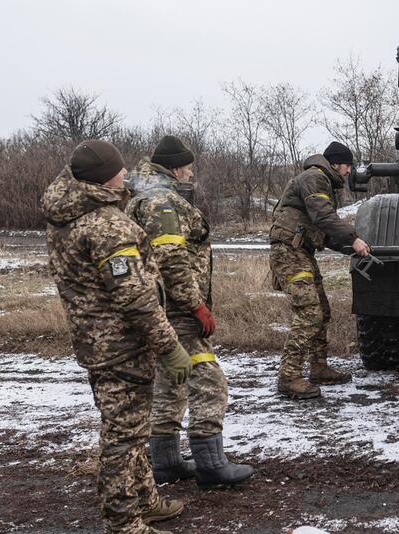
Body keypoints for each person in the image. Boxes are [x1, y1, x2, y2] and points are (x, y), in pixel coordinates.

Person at [41, 139, 189, 533]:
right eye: (120, 169)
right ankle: (124, 521)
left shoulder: (68, 216)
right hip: (122, 345)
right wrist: (170, 346)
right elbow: (136, 297)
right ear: (106, 177)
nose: (127, 174)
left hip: (96, 341)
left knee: (131, 428)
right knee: (123, 437)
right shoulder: (107, 224)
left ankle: (144, 499)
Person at [126, 135, 254, 486]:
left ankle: (165, 462)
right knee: (210, 382)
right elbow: (170, 258)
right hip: (178, 310)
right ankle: (211, 466)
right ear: (174, 167)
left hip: (163, 307)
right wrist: (195, 304)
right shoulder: (162, 203)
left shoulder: (148, 197)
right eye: (187, 166)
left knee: (172, 380)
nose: (191, 171)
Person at [269, 141, 371, 399]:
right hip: (289, 252)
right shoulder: (314, 177)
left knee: (322, 311)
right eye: (347, 165)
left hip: (301, 251)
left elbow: (323, 232)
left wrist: (351, 247)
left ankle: (318, 367)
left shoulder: (321, 181)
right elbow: (324, 218)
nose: (349, 171)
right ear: (336, 164)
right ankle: (289, 377)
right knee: (310, 313)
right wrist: (354, 237)